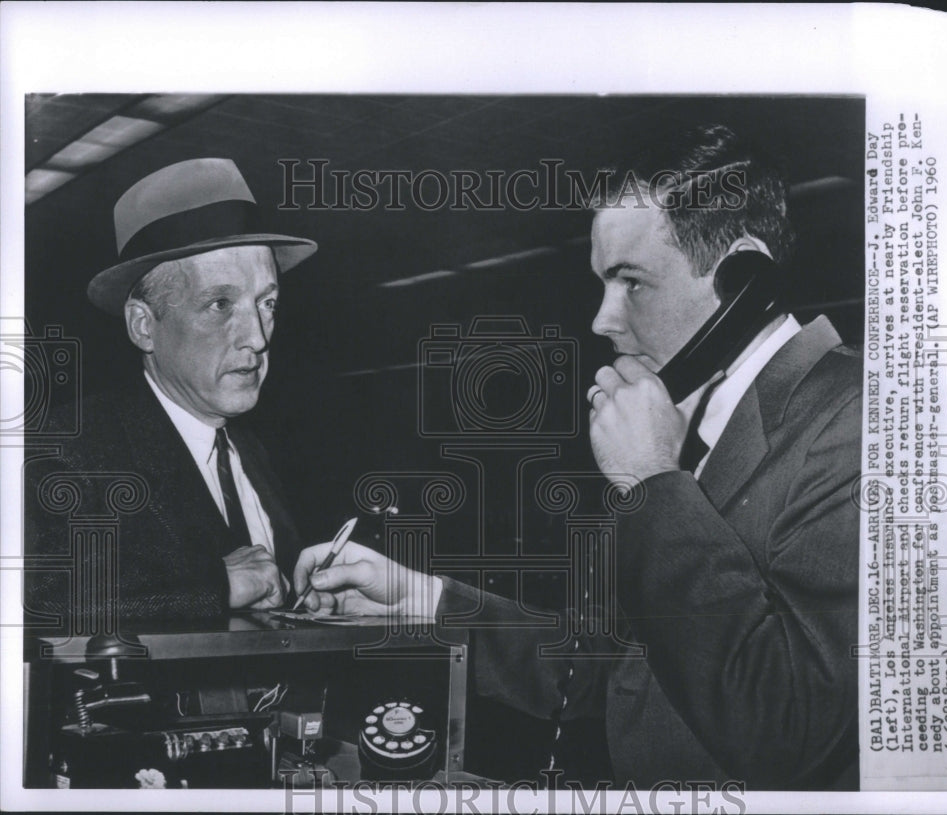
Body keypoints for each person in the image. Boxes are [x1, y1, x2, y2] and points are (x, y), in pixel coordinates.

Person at [293, 125, 862, 789]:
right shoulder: (698, 421)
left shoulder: (855, 417)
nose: (602, 318)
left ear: (743, 274)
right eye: (602, 282)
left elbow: (787, 725)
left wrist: (654, 481)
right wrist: (425, 598)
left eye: (631, 282)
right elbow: (620, 666)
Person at [24, 158, 317, 625]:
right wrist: (215, 586)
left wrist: (309, 605)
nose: (258, 338)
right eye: (221, 304)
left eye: (267, 303)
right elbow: (37, 604)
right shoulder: (68, 450)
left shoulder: (254, 452)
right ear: (144, 326)